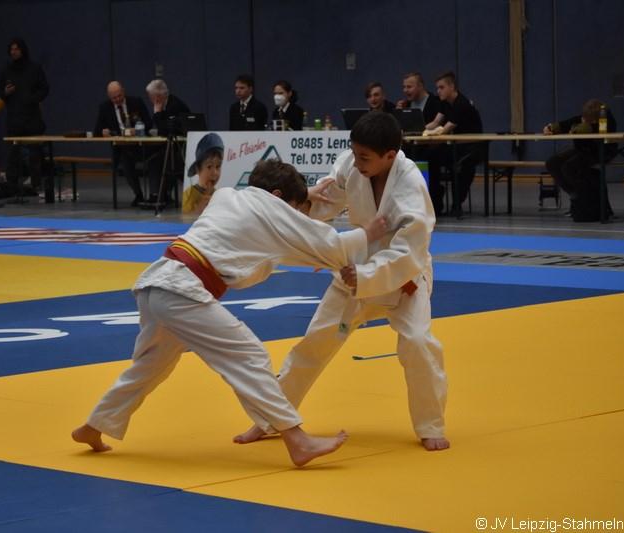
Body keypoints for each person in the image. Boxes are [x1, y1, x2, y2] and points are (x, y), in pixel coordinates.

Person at [72, 159, 390, 467]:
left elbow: (269, 208)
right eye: (294, 207)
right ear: (278, 198)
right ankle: (297, 440)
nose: (294, 215)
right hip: (183, 291)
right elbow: (331, 245)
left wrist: (303, 194)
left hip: (156, 283)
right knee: (249, 355)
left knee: (150, 365)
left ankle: (95, 425)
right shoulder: (273, 210)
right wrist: (368, 233)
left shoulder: (227, 195)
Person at [234, 112, 448, 452]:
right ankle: (269, 419)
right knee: (315, 342)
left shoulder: (410, 187)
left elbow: (411, 249)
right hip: (354, 266)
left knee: (419, 343)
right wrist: (302, 210)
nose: (357, 162)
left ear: (390, 155)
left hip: (402, 278)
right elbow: (324, 201)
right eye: (354, 152)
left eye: (365, 157)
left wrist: (365, 275)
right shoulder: (351, 164)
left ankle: (430, 424)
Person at [0, 38, 48, 191]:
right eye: (11, 49)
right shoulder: (6, 70)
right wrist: (5, 92)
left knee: (34, 153)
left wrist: (33, 99)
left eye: (16, 49)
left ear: (23, 50)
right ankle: (11, 185)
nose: (14, 52)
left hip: (32, 117)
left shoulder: (34, 68)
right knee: (12, 153)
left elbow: (44, 89)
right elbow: (0, 92)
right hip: (14, 117)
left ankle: (35, 184)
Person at [544, 99, 618, 221]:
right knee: (552, 163)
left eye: (590, 120)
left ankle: (583, 199)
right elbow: (568, 123)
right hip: (584, 150)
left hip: (602, 150)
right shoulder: (586, 117)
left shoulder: (606, 120)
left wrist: (580, 127)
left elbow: (592, 132)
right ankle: (574, 194)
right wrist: (551, 127)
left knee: (569, 167)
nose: (587, 120)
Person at [423, 71, 484, 215]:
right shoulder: (444, 103)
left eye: (441, 87)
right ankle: (435, 198)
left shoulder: (462, 104)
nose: (438, 91)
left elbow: (446, 129)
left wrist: (430, 134)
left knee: (462, 167)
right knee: (430, 156)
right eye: (437, 88)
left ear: (452, 87)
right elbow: (436, 122)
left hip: (473, 148)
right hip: (457, 146)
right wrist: (419, 129)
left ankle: (457, 204)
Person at [95, 80, 154, 206]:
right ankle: (139, 195)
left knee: (156, 159)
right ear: (109, 97)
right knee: (125, 161)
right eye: (114, 98)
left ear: (123, 91)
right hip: (121, 147)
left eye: (119, 96)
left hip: (140, 145)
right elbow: (97, 131)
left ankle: (155, 195)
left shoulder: (136, 102)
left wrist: (137, 130)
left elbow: (149, 123)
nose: (117, 100)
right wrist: (103, 131)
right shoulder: (105, 107)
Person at [145, 78, 190, 205]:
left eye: (150, 96)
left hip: (181, 148)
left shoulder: (174, 105)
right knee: (154, 156)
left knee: (156, 160)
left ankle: (158, 195)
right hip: (172, 146)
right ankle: (160, 194)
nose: (150, 99)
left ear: (158, 97)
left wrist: (157, 112)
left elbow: (164, 130)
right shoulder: (167, 103)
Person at [182, 132, 223, 216]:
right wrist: (199, 209)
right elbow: (183, 219)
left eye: (218, 166)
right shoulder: (188, 195)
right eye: (209, 167)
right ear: (198, 169)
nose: (214, 172)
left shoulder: (218, 195)